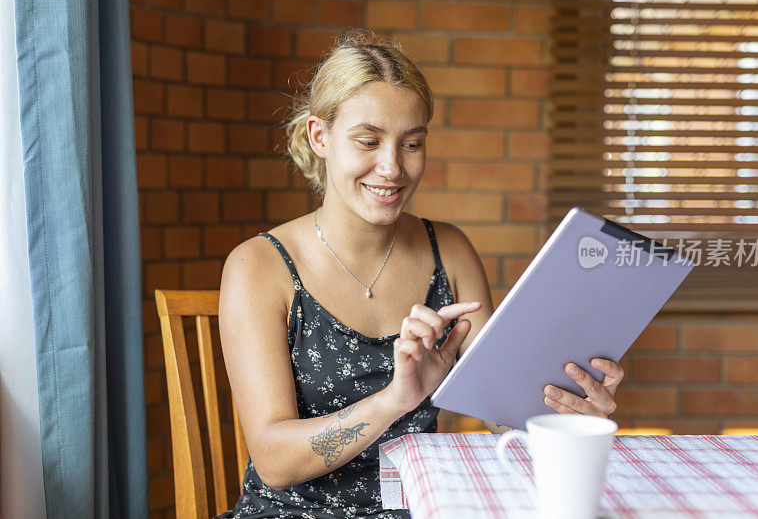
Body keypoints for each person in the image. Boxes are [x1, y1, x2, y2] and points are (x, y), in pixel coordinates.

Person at [216, 30, 624, 519]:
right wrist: (394, 400)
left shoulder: (448, 251)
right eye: (368, 141)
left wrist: (571, 413)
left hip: (429, 506)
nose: (392, 167)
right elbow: (274, 461)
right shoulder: (258, 266)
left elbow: (504, 416)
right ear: (318, 137)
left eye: (411, 143)